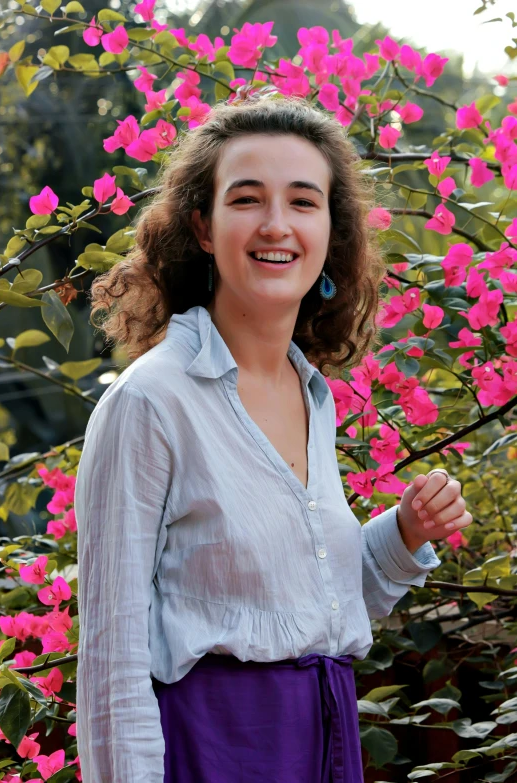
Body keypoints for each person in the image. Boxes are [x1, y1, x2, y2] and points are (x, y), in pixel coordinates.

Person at [74, 94, 467, 782]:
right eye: (248, 198)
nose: (277, 224)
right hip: (214, 749)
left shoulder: (312, 395)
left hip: (323, 742)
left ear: (331, 233)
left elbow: (309, 605)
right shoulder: (151, 402)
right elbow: (112, 662)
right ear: (203, 225)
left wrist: (403, 532)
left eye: (304, 201)